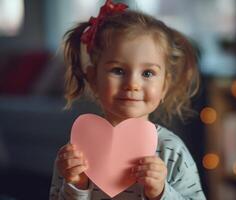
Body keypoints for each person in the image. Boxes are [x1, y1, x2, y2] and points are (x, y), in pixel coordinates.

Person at [49, 0, 206, 199]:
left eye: (148, 73)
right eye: (118, 70)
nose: (133, 84)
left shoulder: (172, 152)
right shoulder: (76, 151)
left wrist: (160, 193)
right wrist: (77, 185)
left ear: (164, 86)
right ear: (93, 78)